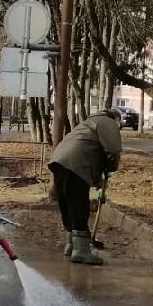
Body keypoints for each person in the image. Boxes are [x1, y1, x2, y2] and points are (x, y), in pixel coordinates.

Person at [48, 106, 123, 266]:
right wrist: (110, 171)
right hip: (76, 163)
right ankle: (81, 251)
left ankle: (71, 245)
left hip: (59, 160)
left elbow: (90, 150)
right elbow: (114, 151)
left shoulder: (89, 122)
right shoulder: (109, 123)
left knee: (67, 203)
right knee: (79, 205)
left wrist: (99, 180)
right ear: (117, 119)